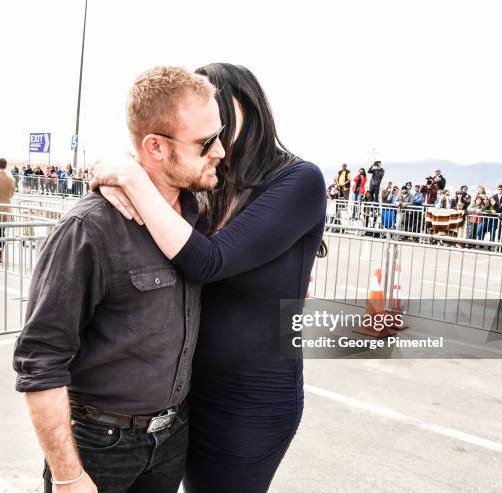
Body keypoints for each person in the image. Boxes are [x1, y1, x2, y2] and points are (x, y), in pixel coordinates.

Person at [90, 62, 326, 493]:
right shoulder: (209, 180)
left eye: (218, 116)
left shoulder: (298, 181)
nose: (210, 131)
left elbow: (209, 261)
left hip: (251, 400)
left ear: (249, 110)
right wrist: (118, 170)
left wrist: (130, 179)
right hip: (182, 394)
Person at [14, 67, 225, 493]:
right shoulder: (89, 230)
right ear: (156, 147)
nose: (220, 151)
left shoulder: (198, 217)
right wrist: (69, 475)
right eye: (206, 143)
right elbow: (40, 360)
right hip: (99, 445)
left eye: (219, 136)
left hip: (171, 438)